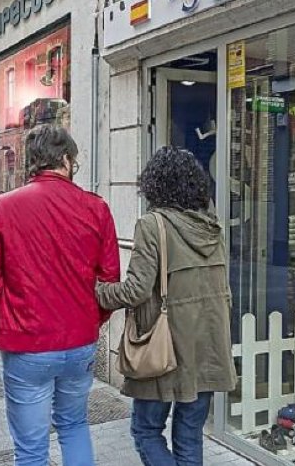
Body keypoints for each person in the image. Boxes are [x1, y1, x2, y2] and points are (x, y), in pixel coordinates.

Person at [0, 125, 120, 466]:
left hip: (26, 341)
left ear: (32, 163)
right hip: (79, 340)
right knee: (74, 425)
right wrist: (93, 320)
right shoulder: (95, 208)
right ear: (67, 160)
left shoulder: (0, 209)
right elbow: (109, 277)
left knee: (30, 448)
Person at [96, 146, 237, 466]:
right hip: (209, 347)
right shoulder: (212, 227)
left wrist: (95, 291)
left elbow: (135, 290)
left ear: (155, 184)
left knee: (145, 431)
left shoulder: (153, 225)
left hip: (165, 349)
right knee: (189, 436)